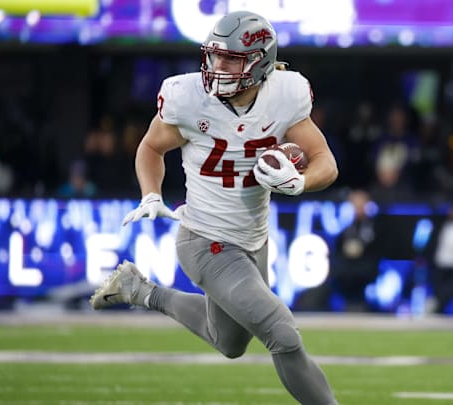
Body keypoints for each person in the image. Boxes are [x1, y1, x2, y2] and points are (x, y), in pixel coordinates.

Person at [89, 11, 338, 405]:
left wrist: (300, 182)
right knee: (282, 333)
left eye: (231, 59)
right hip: (206, 242)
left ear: (260, 63)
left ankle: (140, 291)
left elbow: (324, 158)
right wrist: (151, 193)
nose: (217, 67)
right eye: (215, 56)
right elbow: (151, 147)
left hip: (254, 240)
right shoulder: (188, 98)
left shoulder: (284, 95)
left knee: (230, 343)